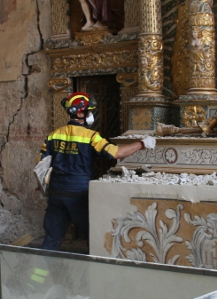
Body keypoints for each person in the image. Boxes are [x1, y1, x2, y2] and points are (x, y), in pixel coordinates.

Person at [37, 92, 155, 251]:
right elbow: (115, 153)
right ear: (80, 113)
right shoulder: (90, 136)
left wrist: (41, 185)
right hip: (78, 195)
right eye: (89, 111)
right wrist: (142, 144)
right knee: (95, 237)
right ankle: (91, 273)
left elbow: (40, 164)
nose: (91, 115)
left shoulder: (53, 135)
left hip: (56, 193)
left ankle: (40, 275)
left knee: (51, 240)